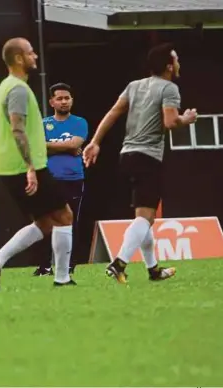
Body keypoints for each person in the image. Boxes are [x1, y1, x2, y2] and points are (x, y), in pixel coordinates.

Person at [83, 43, 198, 284]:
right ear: (168, 66)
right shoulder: (169, 88)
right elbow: (169, 122)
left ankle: (154, 270)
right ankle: (119, 263)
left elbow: (113, 113)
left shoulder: (134, 86)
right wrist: (185, 119)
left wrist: (95, 142)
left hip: (127, 156)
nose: (178, 64)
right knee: (145, 218)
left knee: (144, 216)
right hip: (148, 157)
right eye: (176, 60)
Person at [0, 37, 76, 290]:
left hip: (10, 167)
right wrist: (31, 168)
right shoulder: (18, 89)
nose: (36, 57)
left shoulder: (7, 85)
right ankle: (62, 279)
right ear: (19, 58)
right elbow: (17, 129)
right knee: (64, 215)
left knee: (44, 222)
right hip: (23, 167)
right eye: (31, 53)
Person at [33, 83, 88, 276]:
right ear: (52, 101)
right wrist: (68, 147)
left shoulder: (80, 122)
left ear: (72, 100)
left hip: (73, 179)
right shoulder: (43, 123)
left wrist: (52, 145)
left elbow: (77, 143)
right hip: (50, 179)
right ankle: (44, 266)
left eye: (67, 98)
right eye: (59, 98)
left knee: (71, 222)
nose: (64, 102)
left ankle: (69, 265)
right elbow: (38, 146)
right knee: (47, 222)